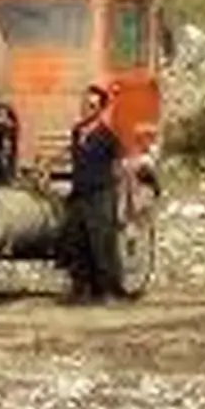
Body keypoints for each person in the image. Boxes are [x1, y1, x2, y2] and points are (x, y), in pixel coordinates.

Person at [60, 84, 122, 303]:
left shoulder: (108, 137)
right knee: (76, 241)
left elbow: (118, 168)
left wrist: (120, 199)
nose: (86, 109)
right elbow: (71, 156)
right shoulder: (77, 132)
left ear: (100, 109)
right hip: (79, 193)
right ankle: (80, 289)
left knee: (100, 244)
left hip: (100, 194)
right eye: (85, 104)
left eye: (92, 105)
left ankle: (106, 291)